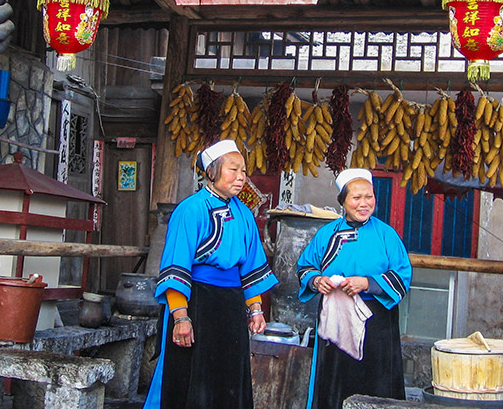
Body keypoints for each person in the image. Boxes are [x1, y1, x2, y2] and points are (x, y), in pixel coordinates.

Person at [144, 139, 279, 409]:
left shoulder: (244, 214)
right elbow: (175, 267)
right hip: (196, 302)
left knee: (229, 378)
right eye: (233, 170)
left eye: (243, 171)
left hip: (229, 306)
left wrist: (255, 309)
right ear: (213, 172)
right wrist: (181, 317)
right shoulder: (190, 210)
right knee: (191, 377)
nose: (241, 177)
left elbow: (251, 267)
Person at [297, 168, 412, 409]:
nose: (364, 204)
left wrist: (368, 283)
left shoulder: (386, 235)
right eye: (356, 198)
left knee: (376, 382)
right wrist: (317, 281)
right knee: (334, 382)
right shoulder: (327, 235)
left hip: (377, 323)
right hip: (336, 322)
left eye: (369, 197)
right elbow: (305, 268)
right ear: (343, 201)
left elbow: (402, 275)